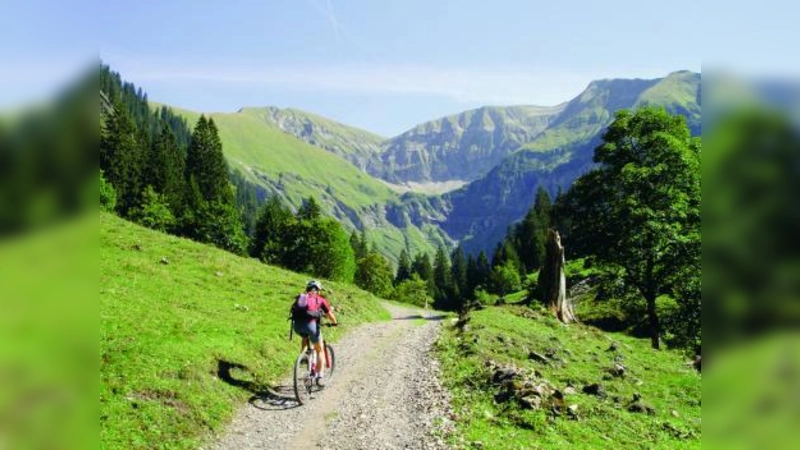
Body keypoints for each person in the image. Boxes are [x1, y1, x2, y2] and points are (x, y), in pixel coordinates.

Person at [292, 280, 337, 385]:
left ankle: (303, 356)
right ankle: (319, 376)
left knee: (305, 337)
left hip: (297, 326)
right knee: (319, 350)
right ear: (318, 290)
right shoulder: (320, 299)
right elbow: (329, 314)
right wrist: (335, 323)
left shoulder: (301, 298)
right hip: (311, 326)